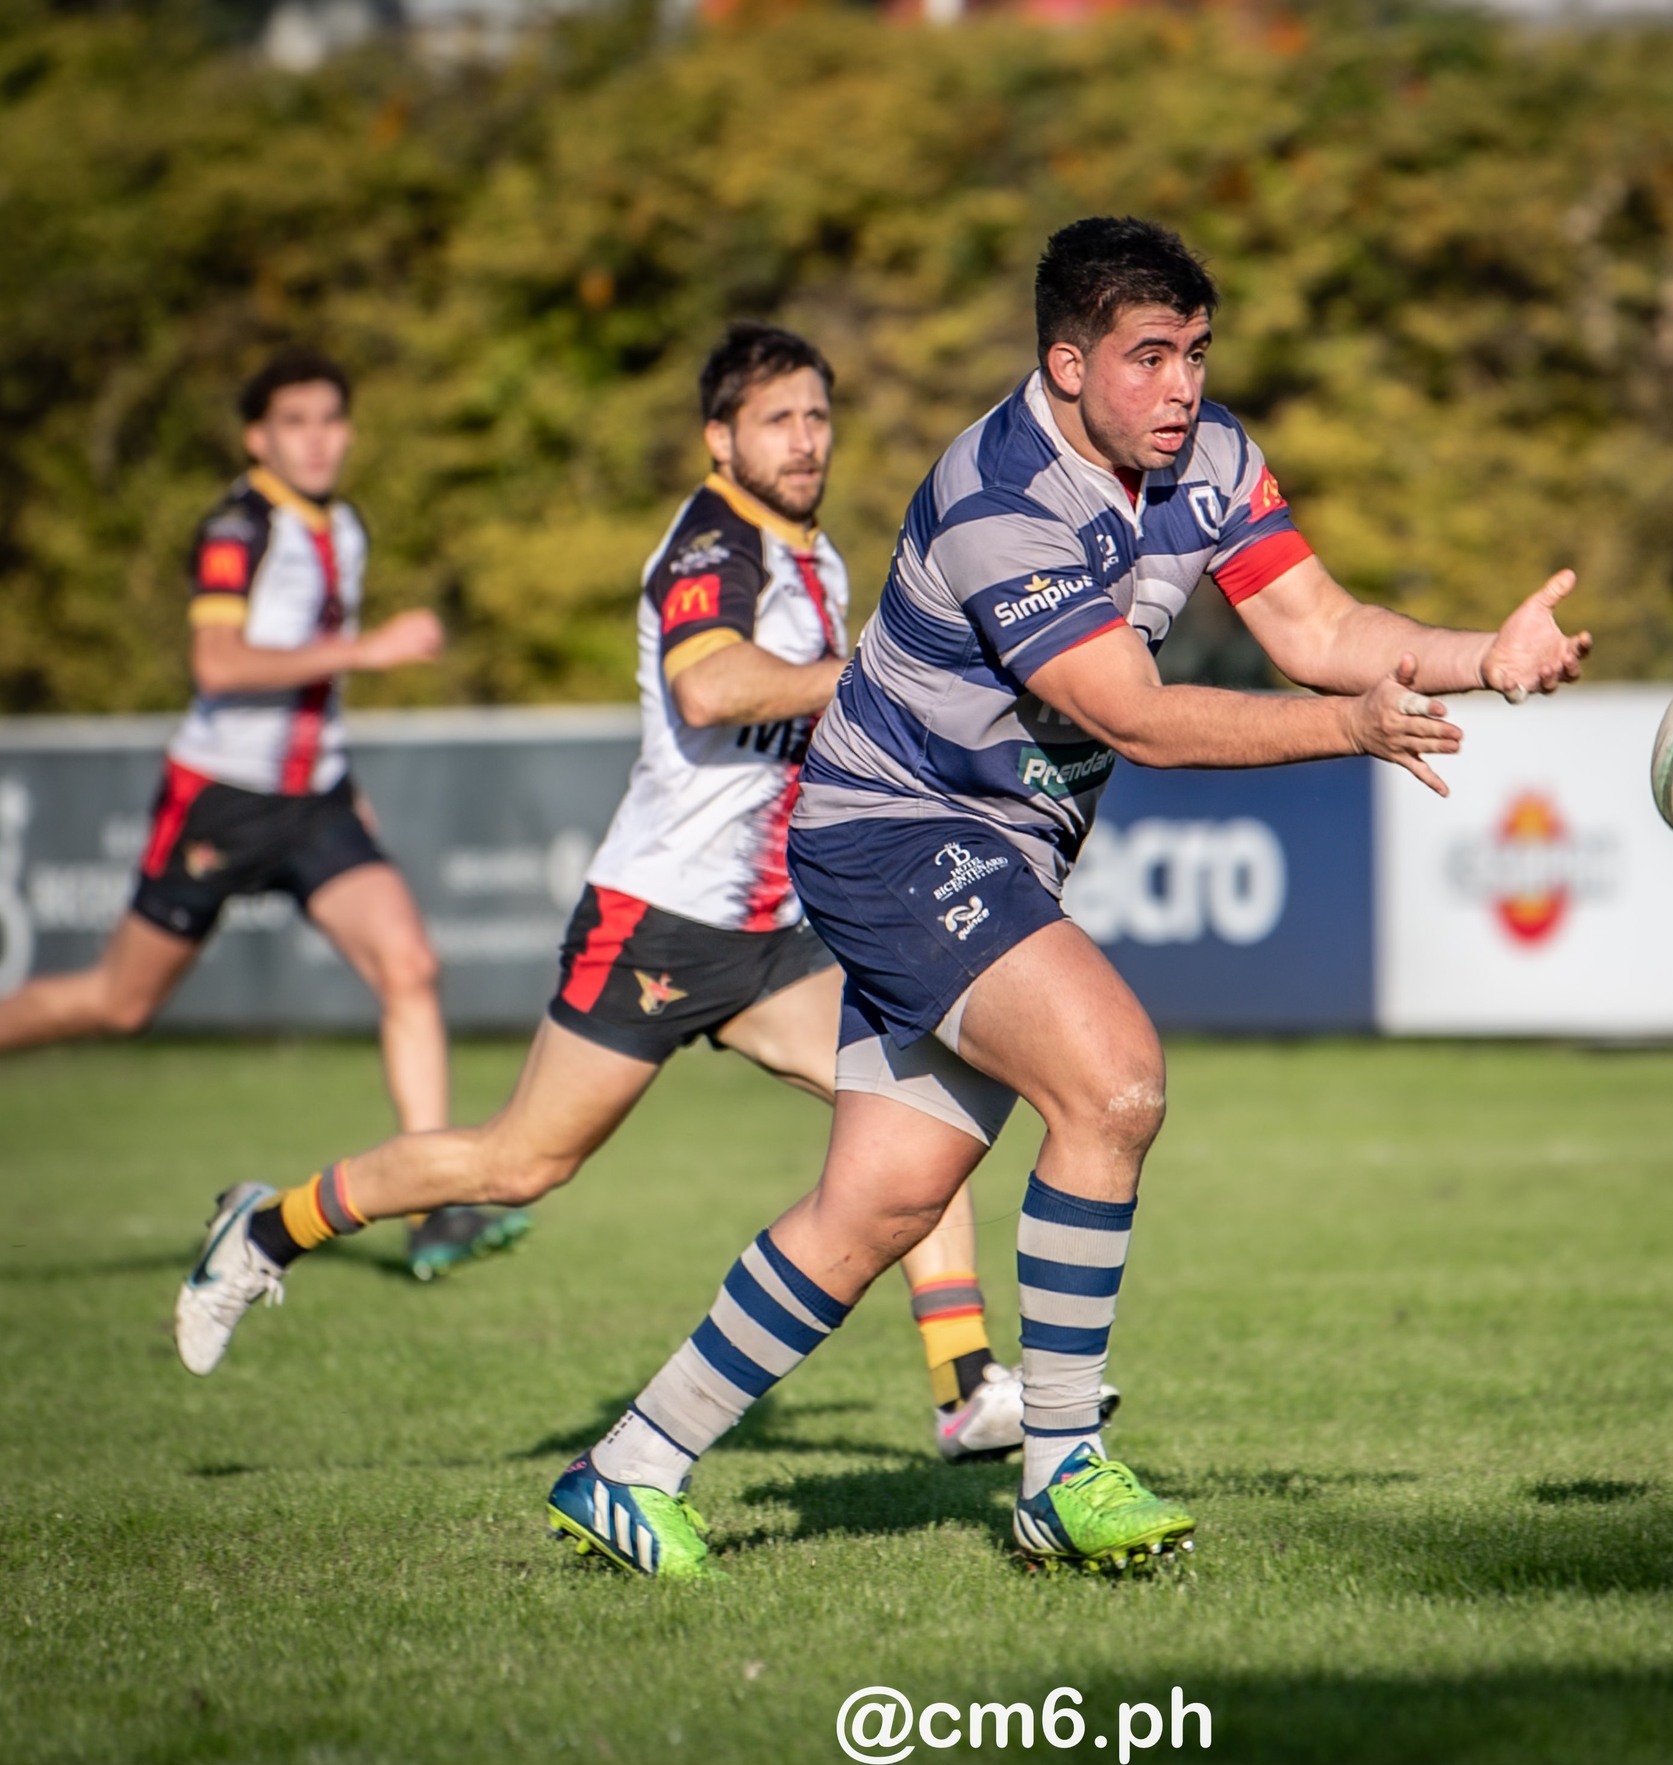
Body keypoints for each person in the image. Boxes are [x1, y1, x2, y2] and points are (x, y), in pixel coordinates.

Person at [540, 217, 1593, 1581]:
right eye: (1149, 356)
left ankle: (628, 1466)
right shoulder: (1000, 497)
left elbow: (1320, 628)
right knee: (1114, 1084)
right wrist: (1352, 731)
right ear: (1066, 360)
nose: (1182, 387)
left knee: (878, 1205)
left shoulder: (1209, 459)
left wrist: (1477, 658)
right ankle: (1061, 1470)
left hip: (998, 849)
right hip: (892, 831)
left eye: (1197, 352)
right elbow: (1137, 717)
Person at [173, 324, 1065, 1474]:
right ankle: (262, 1229)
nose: (804, 440)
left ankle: (964, 1389)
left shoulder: (813, 552)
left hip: (776, 927)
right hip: (657, 919)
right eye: (778, 419)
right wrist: (868, 677)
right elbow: (709, 686)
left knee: (914, 1100)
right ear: (719, 437)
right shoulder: (711, 541)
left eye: (816, 416)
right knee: (515, 1164)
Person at [0, 346, 517, 1280]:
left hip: (314, 800)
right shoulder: (237, 525)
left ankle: (434, 1208)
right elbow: (219, 665)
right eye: (295, 421)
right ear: (257, 436)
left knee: (411, 965)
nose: (318, 439)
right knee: (120, 1004)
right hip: (223, 801)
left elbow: (311, 686)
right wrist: (372, 650)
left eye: (331, 419)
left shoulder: (344, 525)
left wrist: (342, 771)